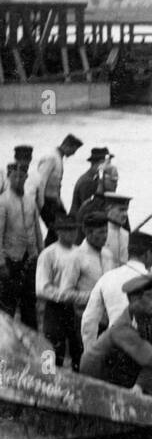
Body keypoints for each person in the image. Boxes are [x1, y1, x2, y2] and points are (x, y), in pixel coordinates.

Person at [80, 273, 152, 393]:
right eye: (150, 297)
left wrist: (140, 385)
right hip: (96, 372)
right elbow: (147, 355)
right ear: (134, 301)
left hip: (126, 370)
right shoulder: (121, 327)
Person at [80, 231, 152, 346]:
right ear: (148, 254)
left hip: (113, 347)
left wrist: (90, 351)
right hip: (143, 351)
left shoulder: (107, 278)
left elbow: (89, 320)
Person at [60, 209, 118, 336]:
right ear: (88, 232)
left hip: (107, 322)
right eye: (101, 232)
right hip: (85, 320)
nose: (105, 236)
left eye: (106, 231)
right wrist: (93, 296)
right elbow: (65, 293)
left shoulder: (108, 254)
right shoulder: (75, 257)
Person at [35, 217, 83, 366]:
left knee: (78, 349)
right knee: (51, 349)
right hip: (55, 308)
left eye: (74, 229)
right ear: (58, 232)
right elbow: (42, 288)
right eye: (67, 230)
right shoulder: (48, 254)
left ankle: (76, 384)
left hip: (76, 308)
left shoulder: (80, 252)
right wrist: (65, 295)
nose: (72, 233)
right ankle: (46, 384)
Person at [0, 161, 43, 328]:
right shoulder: (3, 202)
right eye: (15, 176)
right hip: (10, 259)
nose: (18, 179)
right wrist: (1, 263)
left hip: (30, 259)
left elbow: (37, 230)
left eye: (22, 176)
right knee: (7, 306)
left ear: (26, 177)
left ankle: (30, 343)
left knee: (29, 304)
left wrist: (40, 253)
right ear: (9, 177)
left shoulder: (29, 201)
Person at [29, 134, 83, 242]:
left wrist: (59, 201)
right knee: (57, 230)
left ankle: (47, 250)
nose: (73, 154)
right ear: (67, 145)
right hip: (46, 202)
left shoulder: (58, 157)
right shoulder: (51, 157)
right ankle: (46, 253)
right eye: (74, 150)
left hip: (54, 201)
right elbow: (41, 182)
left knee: (63, 228)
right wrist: (41, 205)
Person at [70, 147, 111, 213]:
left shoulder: (93, 178)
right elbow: (88, 209)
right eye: (108, 163)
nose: (110, 166)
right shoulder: (88, 181)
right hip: (79, 221)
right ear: (100, 163)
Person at [101, 193, 133, 266]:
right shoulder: (101, 233)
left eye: (126, 210)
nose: (125, 214)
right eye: (121, 210)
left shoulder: (126, 235)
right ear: (108, 209)